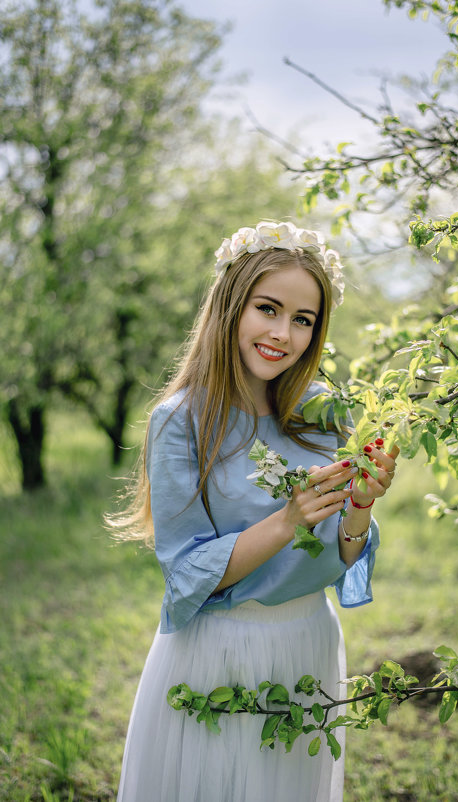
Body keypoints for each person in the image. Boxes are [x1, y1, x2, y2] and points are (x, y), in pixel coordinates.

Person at [111, 221, 399, 802]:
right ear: (230, 306)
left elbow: (343, 559)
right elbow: (187, 573)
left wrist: (360, 508)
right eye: (267, 308)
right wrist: (287, 519)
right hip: (219, 651)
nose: (282, 333)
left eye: (302, 319)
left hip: (309, 641)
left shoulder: (324, 412)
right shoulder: (182, 420)